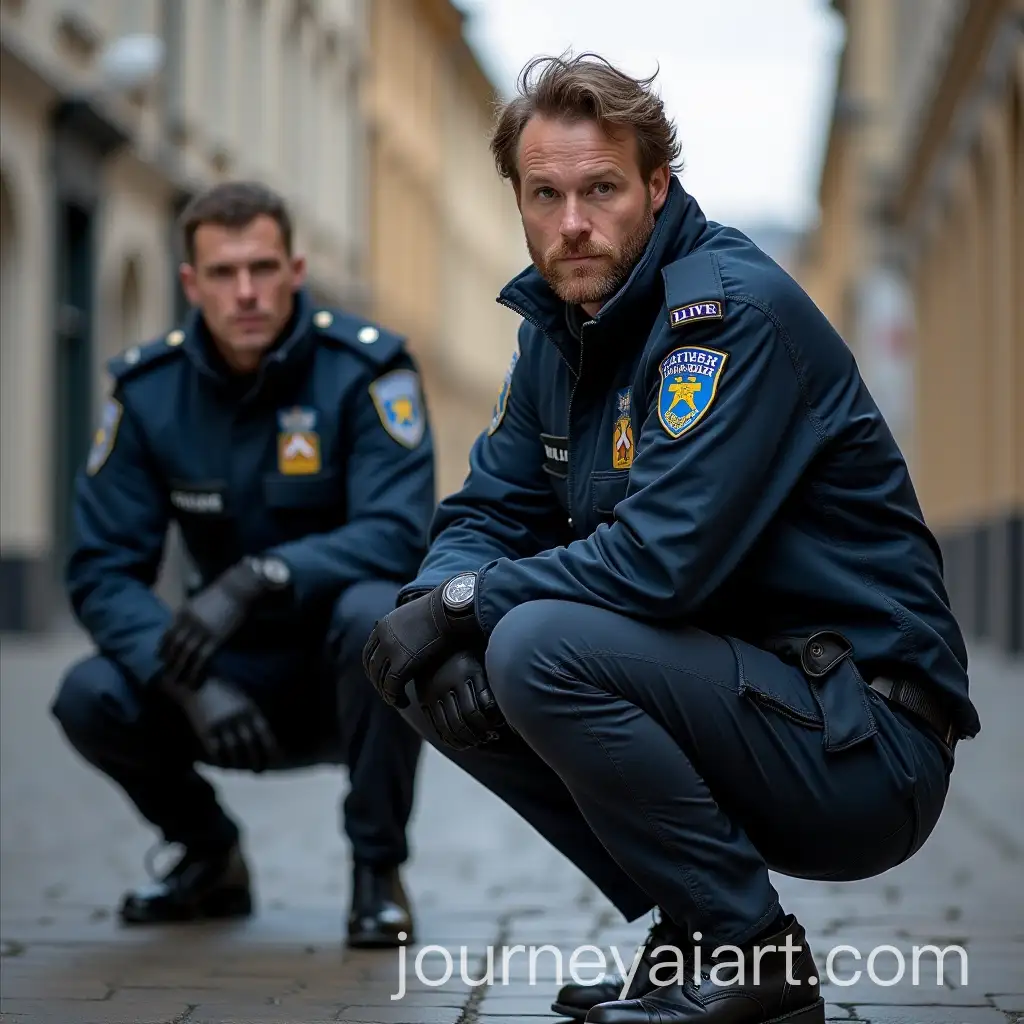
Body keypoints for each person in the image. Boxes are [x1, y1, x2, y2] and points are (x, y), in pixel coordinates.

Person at [360, 54, 980, 1023]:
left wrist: (461, 604)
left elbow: (657, 560)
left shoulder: (724, 317)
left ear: (657, 186)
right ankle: (696, 926)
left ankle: (750, 953)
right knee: (417, 649)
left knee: (531, 642)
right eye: (546, 194)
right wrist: (431, 602)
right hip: (750, 700)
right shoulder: (557, 334)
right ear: (518, 200)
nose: (572, 222)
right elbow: (486, 510)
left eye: (601, 189)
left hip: (866, 742)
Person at [51, 181, 434, 949]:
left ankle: (376, 871)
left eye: (263, 268)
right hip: (219, 676)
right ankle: (209, 857)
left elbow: (396, 533)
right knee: (89, 694)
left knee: (380, 615)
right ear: (191, 282)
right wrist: (184, 681)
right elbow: (101, 570)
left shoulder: (365, 370)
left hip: (344, 672)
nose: (247, 292)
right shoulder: (148, 392)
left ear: (295, 269)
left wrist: (257, 577)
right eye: (223, 274)